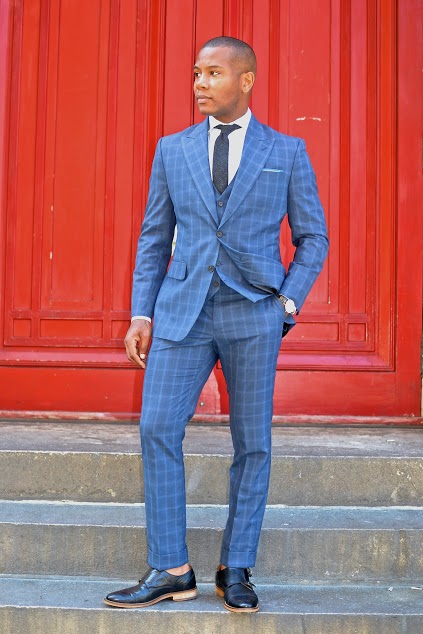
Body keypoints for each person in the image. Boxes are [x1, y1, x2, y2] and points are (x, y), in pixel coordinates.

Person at [104, 36, 328, 613]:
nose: (200, 83)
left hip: (253, 312)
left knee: (252, 443)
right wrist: (142, 311)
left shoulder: (287, 150)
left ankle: (237, 566)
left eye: (213, 73)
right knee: (157, 427)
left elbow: (314, 238)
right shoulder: (172, 149)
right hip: (182, 310)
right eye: (196, 73)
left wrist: (287, 303)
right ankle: (171, 568)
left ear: (246, 80)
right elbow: (154, 237)